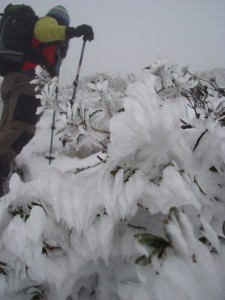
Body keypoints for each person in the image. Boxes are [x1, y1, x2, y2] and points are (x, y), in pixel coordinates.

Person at [0, 5, 94, 197]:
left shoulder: (50, 43)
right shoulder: (47, 22)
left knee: (7, 130)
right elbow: (42, 32)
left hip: (16, 82)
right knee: (21, 129)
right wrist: (74, 32)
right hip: (26, 83)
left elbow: (49, 64)